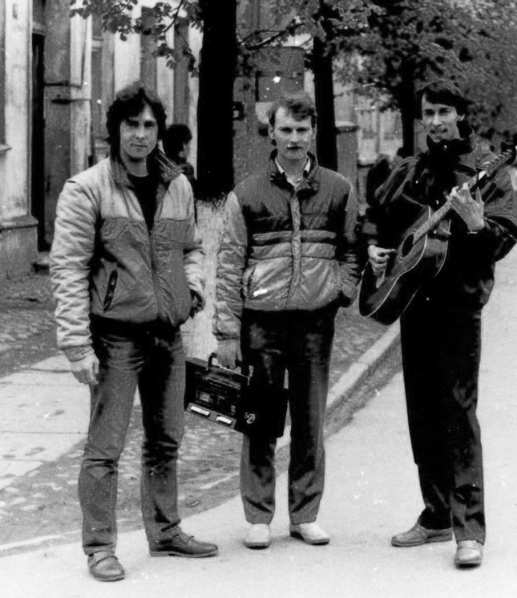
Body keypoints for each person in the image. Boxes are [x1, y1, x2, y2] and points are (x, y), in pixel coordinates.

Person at [49, 82, 216, 583]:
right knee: (105, 448)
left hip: (167, 334)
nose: (140, 135)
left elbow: (190, 248)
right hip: (115, 338)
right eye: (131, 124)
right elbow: (68, 269)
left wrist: (192, 288)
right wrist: (76, 345)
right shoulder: (87, 189)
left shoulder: (177, 185)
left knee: (166, 440)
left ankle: (165, 531)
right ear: (115, 129)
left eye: (149, 125)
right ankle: (100, 547)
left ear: (158, 130)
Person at [361, 80, 517, 568]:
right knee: (423, 412)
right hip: (414, 302)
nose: (435, 121)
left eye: (444, 112)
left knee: (458, 414)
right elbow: (377, 216)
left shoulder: (486, 169)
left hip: (459, 306)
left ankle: (469, 529)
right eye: (428, 113)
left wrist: (476, 223)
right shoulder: (409, 168)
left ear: (460, 115)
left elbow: (504, 237)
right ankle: (434, 515)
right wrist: (375, 249)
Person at [214, 91, 362, 550]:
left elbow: (351, 249)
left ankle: (305, 514)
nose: (294, 139)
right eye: (285, 130)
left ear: (313, 132)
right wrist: (227, 331)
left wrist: (341, 290)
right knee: (258, 420)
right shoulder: (247, 194)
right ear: (271, 134)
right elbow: (229, 264)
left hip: (315, 323)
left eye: (302, 130)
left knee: (310, 420)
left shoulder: (339, 189)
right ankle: (258, 515)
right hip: (262, 323)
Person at [163, 123, 198, 194]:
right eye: (189, 144)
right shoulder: (186, 170)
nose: (189, 148)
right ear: (183, 145)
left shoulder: (161, 168)